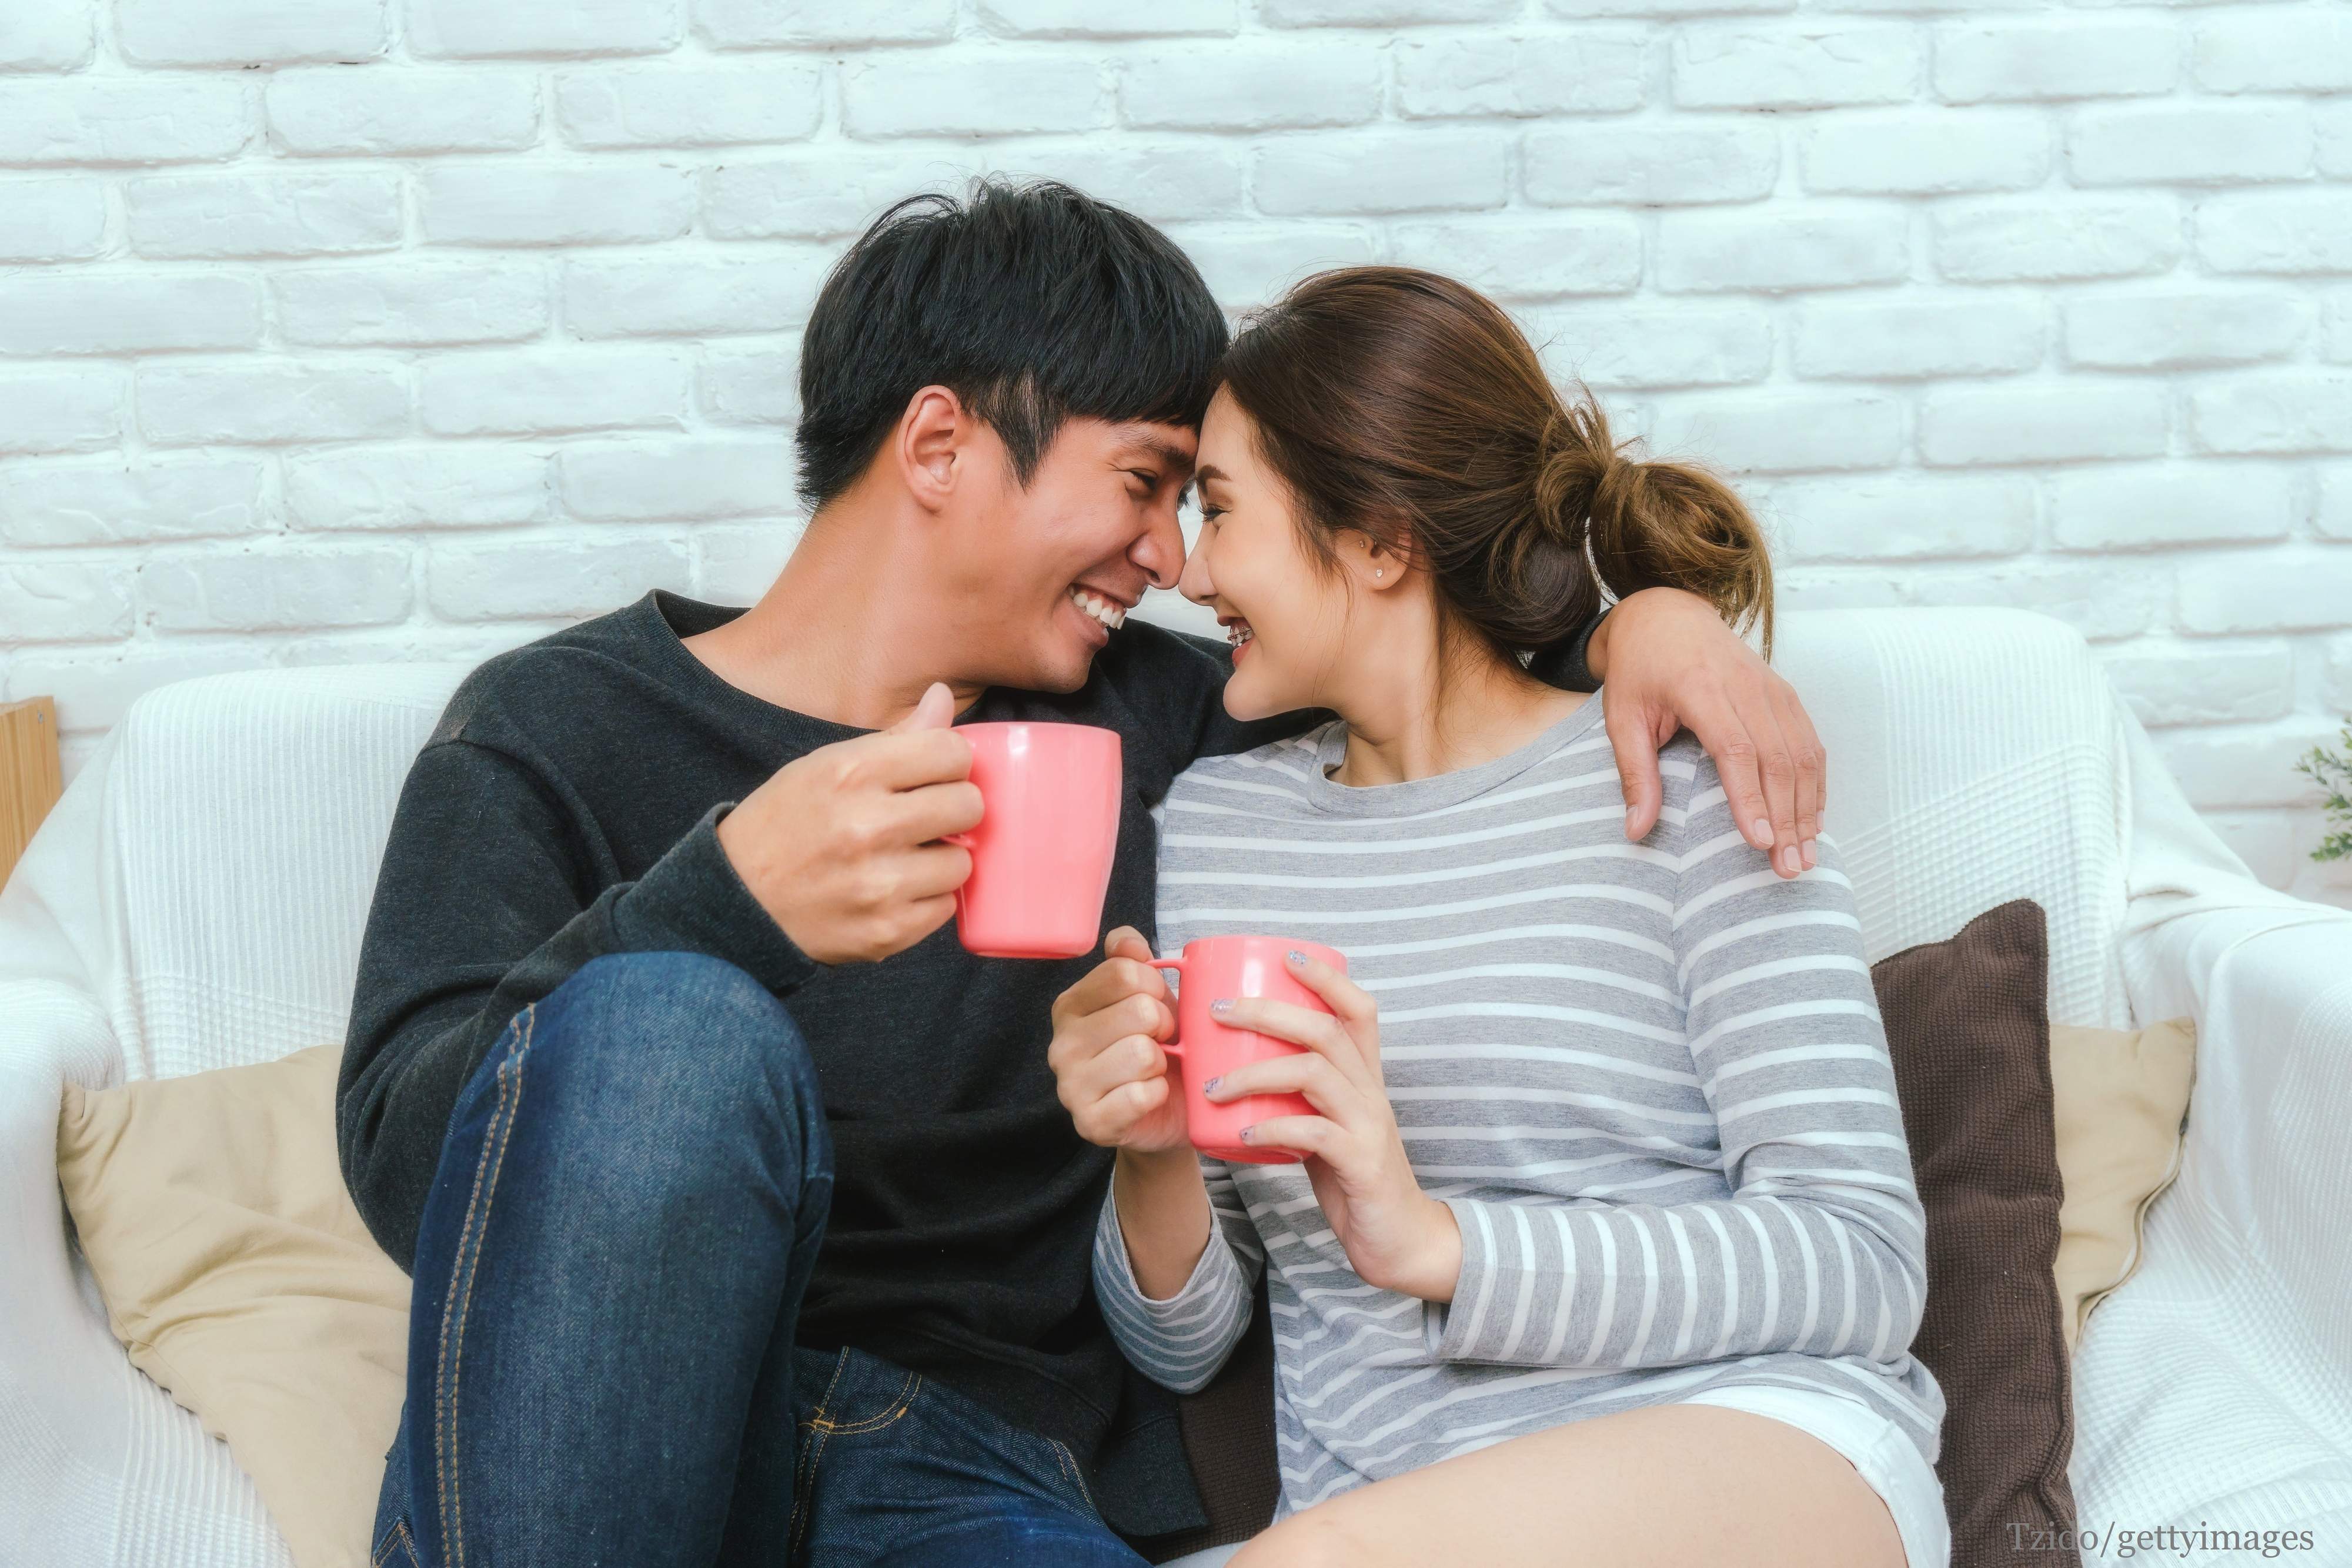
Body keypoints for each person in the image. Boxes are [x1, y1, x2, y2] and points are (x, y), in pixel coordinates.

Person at [338, 182, 1833, 1568]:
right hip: (606, 1451)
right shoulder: (555, 723)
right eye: (1143, 481)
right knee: (670, 1026)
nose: (1171, 558)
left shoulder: (1175, 728)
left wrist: (1648, 623)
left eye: (1199, 502)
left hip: (971, 1472)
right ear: (938, 445)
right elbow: (416, 1173)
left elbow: (1434, 657)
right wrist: (724, 905)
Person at [1056, 267, 1948, 1568]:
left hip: (1753, 1450)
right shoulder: (1216, 828)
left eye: (1223, 510)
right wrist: (1150, 1151)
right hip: (1379, 1507)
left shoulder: (1685, 781)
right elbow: (1184, 1345)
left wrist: (1437, 1243)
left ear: (1378, 541)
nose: (1187, 572)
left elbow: (1860, 1260)